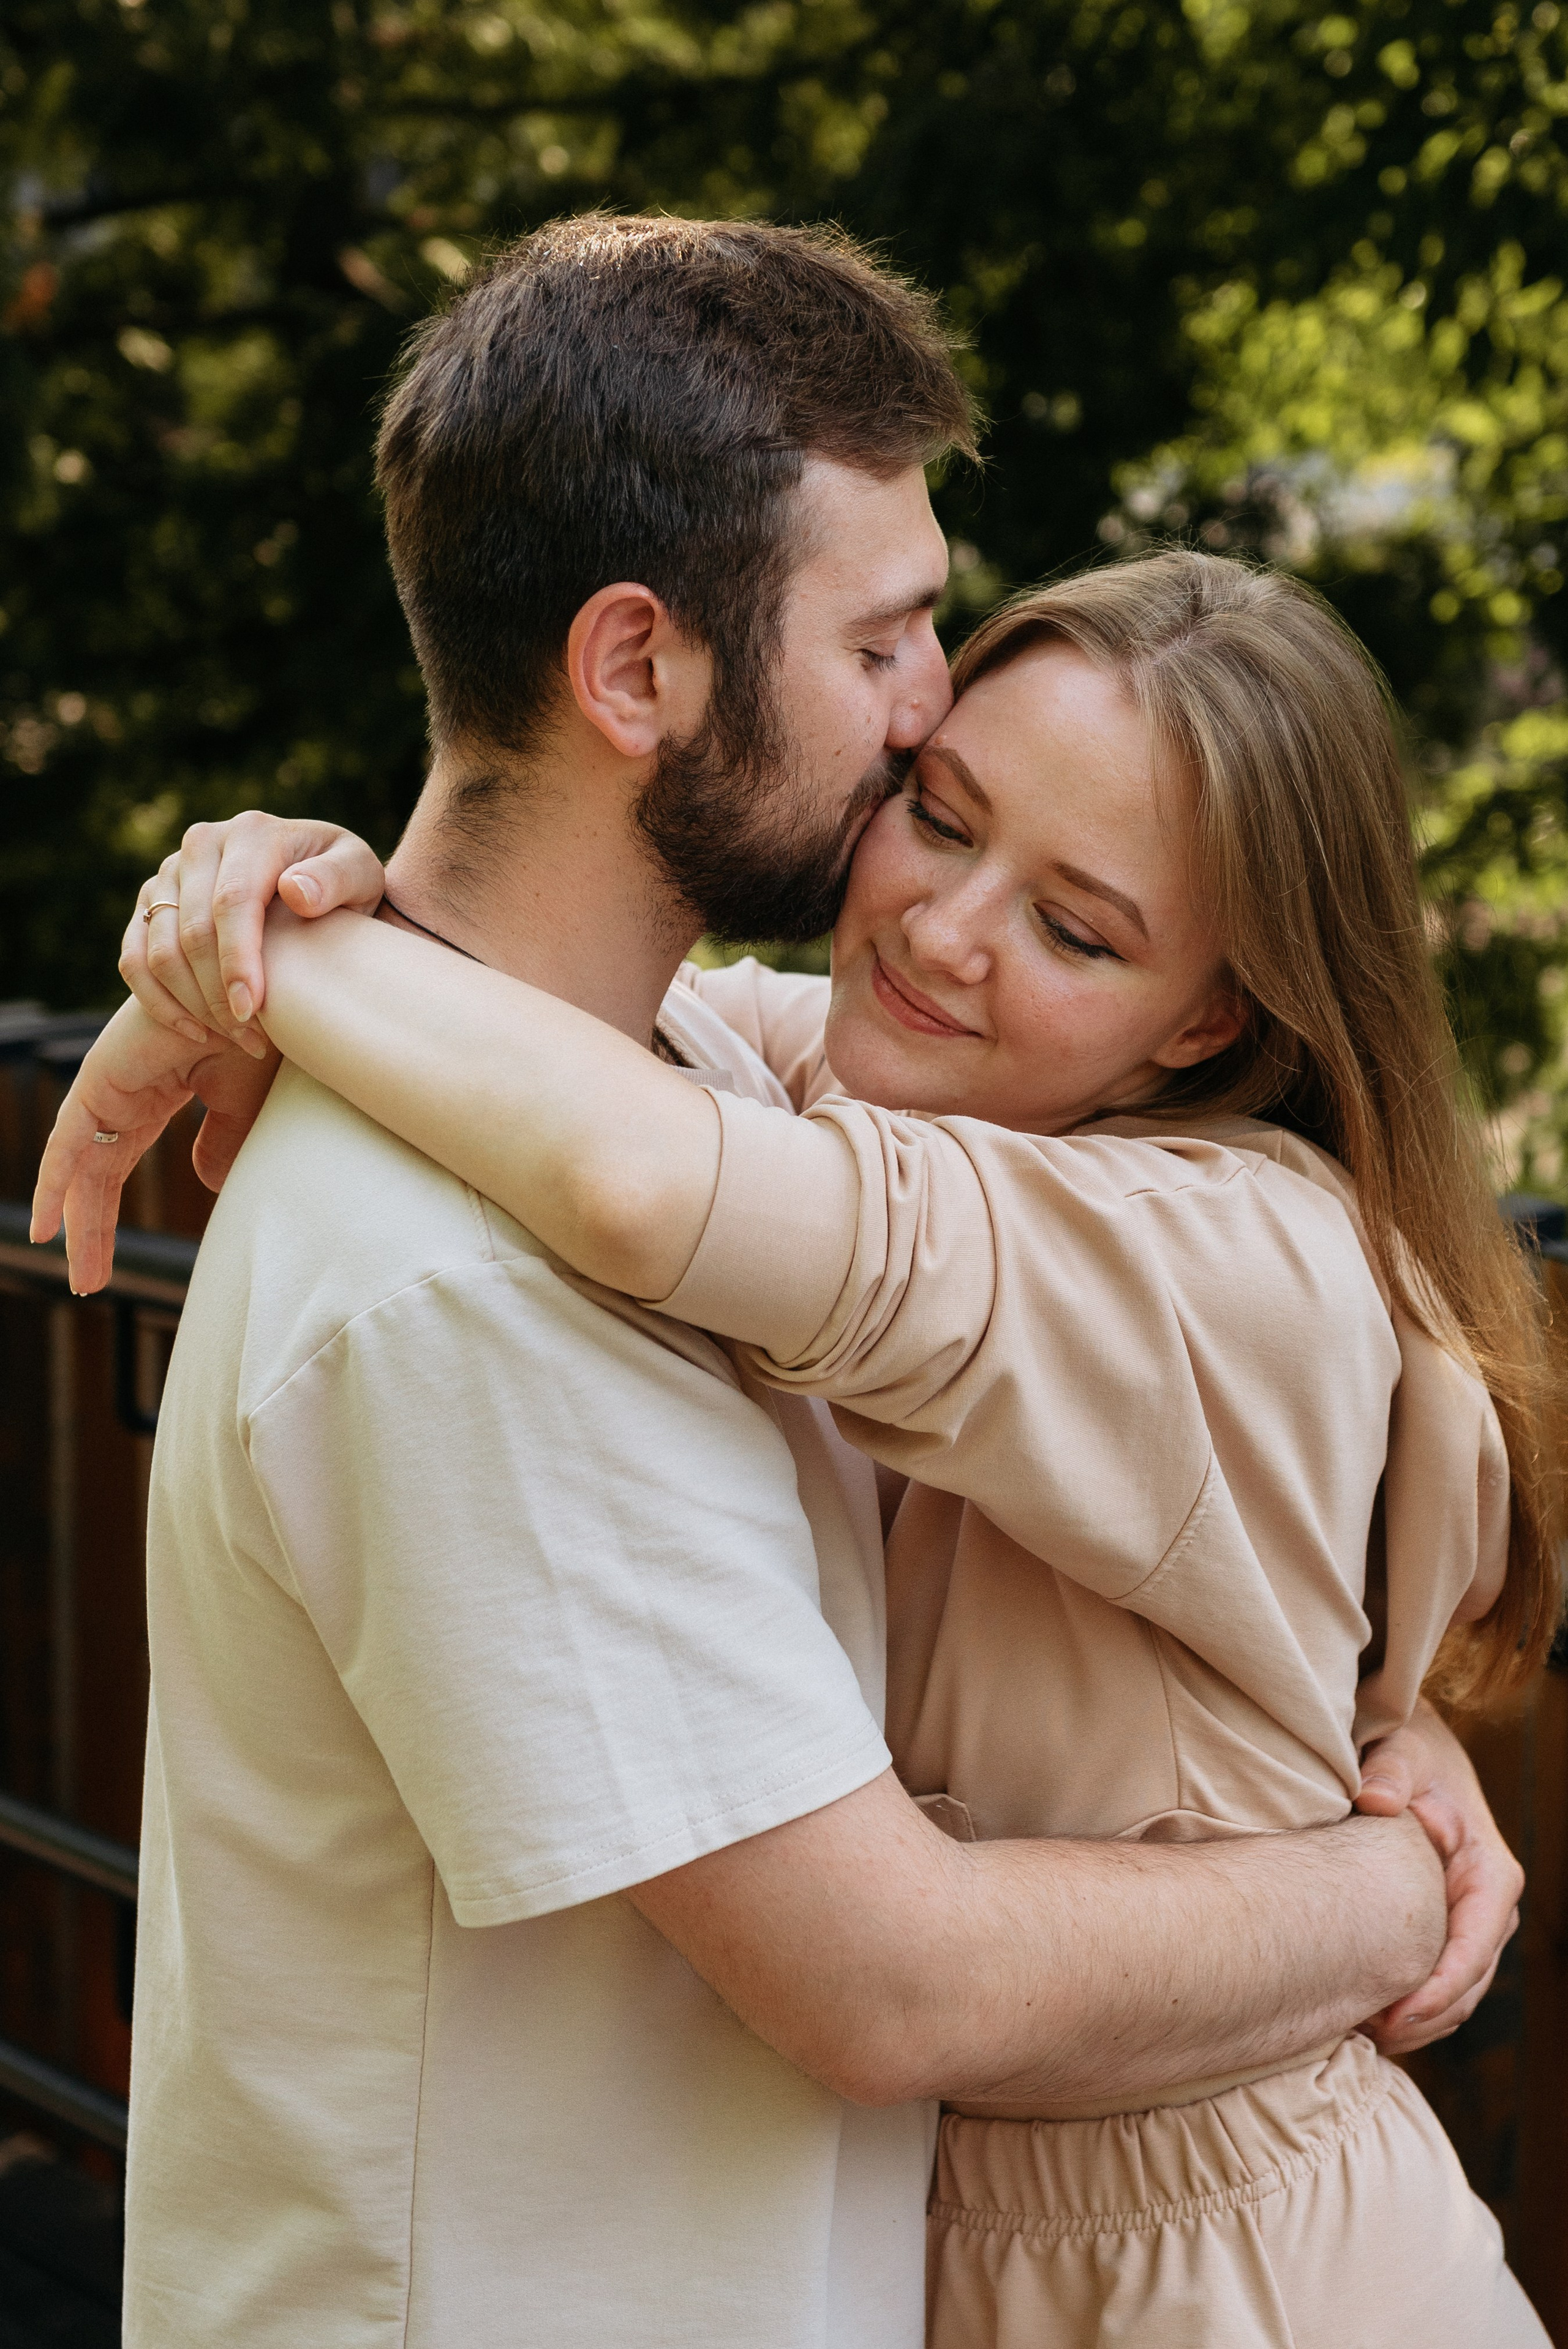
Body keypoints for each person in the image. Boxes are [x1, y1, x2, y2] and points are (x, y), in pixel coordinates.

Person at [35, 225, 1521, 2348]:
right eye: (894, 652)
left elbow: (664, 1149)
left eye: (1087, 924)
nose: (928, 701)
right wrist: (1376, 1883)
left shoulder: (711, 1088)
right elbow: (886, 1975)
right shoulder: (473, 1277)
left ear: (1212, 1014)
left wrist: (278, 935)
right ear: (639, 669)